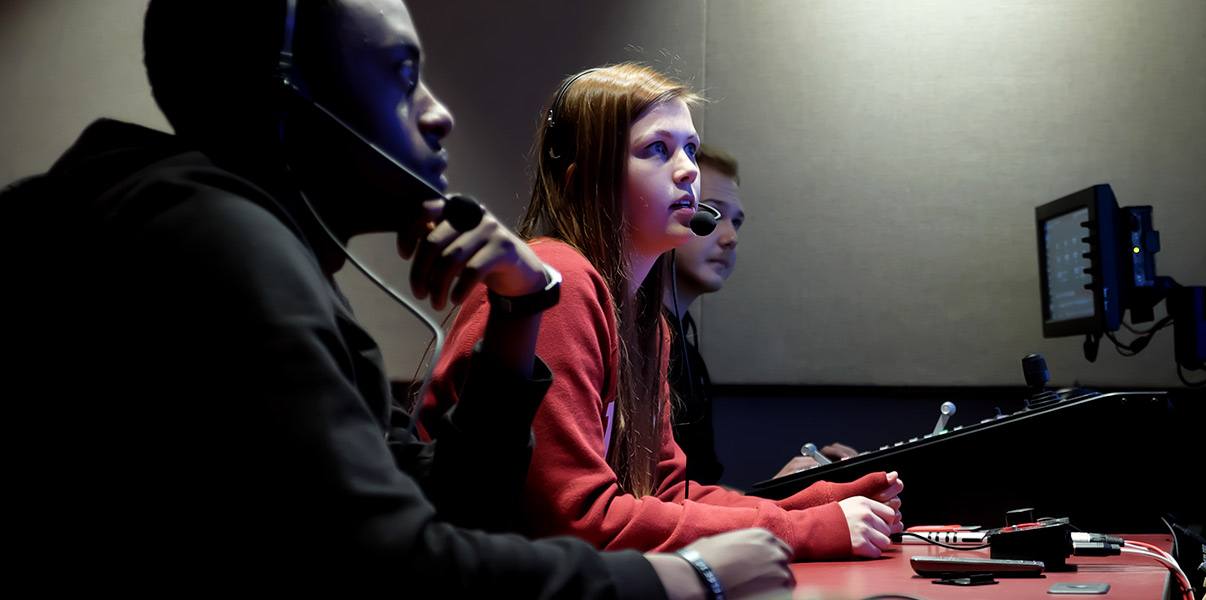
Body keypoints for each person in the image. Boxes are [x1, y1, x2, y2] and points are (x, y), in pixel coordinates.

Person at [15, 1, 792, 597]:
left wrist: (520, 314)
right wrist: (686, 578)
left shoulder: (253, 245)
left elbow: (453, 508)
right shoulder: (213, 249)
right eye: (399, 73)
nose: (438, 110)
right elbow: (397, 568)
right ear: (289, 92)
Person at [428, 64, 905, 561]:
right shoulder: (558, 281)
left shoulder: (645, 320)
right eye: (658, 149)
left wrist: (818, 501)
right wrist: (803, 529)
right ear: (586, 178)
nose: (688, 170)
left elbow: (665, 500)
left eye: (691, 149)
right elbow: (580, 520)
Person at [661, 145, 860, 483]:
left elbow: (696, 494)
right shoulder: (630, 342)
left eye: (736, 221)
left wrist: (779, 491)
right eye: (713, 212)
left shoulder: (687, 357)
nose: (731, 237)